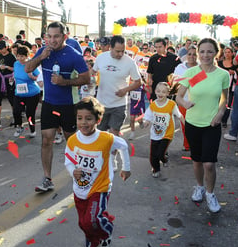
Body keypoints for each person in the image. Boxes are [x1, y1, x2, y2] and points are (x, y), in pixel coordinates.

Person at [25, 21, 90, 192]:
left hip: (69, 105)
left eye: (56, 36)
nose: (52, 40)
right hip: (48, 103)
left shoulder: (74, 55)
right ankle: (47, 178)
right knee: (47, 140)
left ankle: (81, 173)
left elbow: (86, 79)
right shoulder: (43, 51)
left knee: (72, 142)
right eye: (49, 36)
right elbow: (27, 68)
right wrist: (40, 57)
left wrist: (65, 82)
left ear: (64, 37)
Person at [64, 97, 130, 247]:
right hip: (80, 189)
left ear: (98, 120)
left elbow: (124, 146)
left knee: (91, 220)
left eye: (88, 119)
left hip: (100, 187)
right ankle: (93, 241)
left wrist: (126, 168)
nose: (83, 123)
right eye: (80, 118)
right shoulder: (73, 140)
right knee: (83, 223)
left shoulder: (106, 139)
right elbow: (68, 160)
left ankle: (106, 230)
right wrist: (73, 171)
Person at [176, 37, 229, 213]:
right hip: (192, 123)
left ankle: (210, 193)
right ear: (198, 53)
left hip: (211, 125)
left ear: (216, 53)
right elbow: (179, 96)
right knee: (197, 161)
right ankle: (199, 186)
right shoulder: (193, 73)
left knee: (209, 164)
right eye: (202, 51)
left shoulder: (222, 74)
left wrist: (220, 114)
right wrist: (185, 104)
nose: (205, 55)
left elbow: (224, 98)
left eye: (210, 51)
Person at [94, 35, 141, 170]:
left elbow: (138, 82)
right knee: (101, 134)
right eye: (117, 51)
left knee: (114, 134)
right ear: (110, 48)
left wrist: (125, 90)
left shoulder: (130, 62)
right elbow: (93, 72)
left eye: (123, 51)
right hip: (101, 104)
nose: (121, 54)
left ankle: (112, 160)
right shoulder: (101, 58)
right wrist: (89, 80)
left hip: (119, 105)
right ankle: (101, 158)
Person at [144, 82, 183, 178]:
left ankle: (164, 159)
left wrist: (186, 125)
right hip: (155, 133)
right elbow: (148, 117)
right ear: (155, 92)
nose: (160, 93)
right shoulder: (153, 105)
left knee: (160, 154)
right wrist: (145, 122)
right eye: (158, 91)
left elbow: (179, 115)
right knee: (153, 155)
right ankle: (156, 169)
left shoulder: (171, 104)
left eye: (163, 92)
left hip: (167, 133)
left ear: (167, 94)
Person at [173, 45, 198, 151]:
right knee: (185, 124)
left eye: (194, 54)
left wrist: (187, 82)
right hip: (183, 100)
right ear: (186, 55)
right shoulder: (180, 67)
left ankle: (196, 144)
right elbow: (175, 82)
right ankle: (187, 145)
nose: (192, 56)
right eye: (189, 54)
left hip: (197, 102)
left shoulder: (202, 67)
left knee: (196, 125)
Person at [12, 45, 41, 138]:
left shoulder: (31, 64)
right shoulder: (16, 64)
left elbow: (39, 78)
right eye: (18, 56)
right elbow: (16, 74)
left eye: (22, 56)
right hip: (19, 93)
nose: (20, 58)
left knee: (30, 114)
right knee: (16, 111)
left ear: (27, 56)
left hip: (32, 93)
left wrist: (31, 76)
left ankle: (32, 130)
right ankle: (19, 127)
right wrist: (12, 79)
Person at [217, 46, 238, 128]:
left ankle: (224, 120)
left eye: (229, 52)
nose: (227, 54)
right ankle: (217, 117)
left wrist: (234, 72)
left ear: (232, 53)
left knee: (228, 103)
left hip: (231, 86)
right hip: (219, 85)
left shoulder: (235, 63)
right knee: (218, 102)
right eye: (226, 52)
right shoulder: (220, 63)